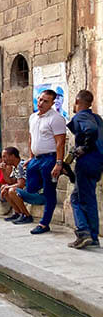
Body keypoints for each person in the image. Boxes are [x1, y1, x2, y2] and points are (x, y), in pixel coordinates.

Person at [17, 89, 67, 234]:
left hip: (50, 159)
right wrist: (31, 157)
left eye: (45, 101)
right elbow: (31, 138)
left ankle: (44, 223)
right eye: (40, 99)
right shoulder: (33, 117)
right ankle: (43, 197)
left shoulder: (56, 118)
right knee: (31, 188)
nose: (41, 103)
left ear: (52, 103)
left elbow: (60, 142)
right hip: (36, 159)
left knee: (50, 190)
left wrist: (58, 163)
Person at [66, 90, 103, 249]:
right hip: (97, 163)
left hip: (86, 162)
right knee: (89, 199)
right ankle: (93, 237)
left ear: (77, 101)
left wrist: (84, 148)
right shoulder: (98, 118)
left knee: (77, 199)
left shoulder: (81, 117)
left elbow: (91, 131)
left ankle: (83, 232)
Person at [0, 147, 29, 222]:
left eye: (4, 156)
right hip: (24, 190)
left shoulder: (21, 165)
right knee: (6, 188)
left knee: (11, 190)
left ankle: (27, 215)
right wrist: (3, 171)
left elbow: (21, 184)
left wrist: (7, 187)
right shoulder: (15, 167)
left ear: (12, 156)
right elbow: (10, 182)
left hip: (32, 192)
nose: (3, 160)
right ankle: (18, 213)